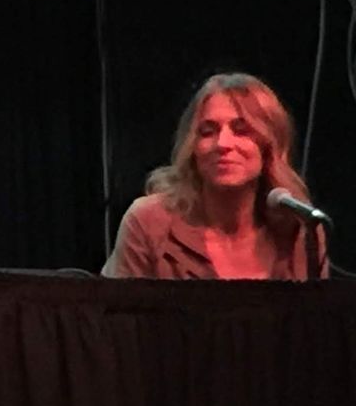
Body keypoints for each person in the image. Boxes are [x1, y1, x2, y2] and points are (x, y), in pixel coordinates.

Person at [104, 72, 329, 281]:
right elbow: (112, 319)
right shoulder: (149, 222)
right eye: (208, 132)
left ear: (269, 146)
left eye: (241, 130)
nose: (222, 144)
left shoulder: (302, 229)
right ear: (192, 147)